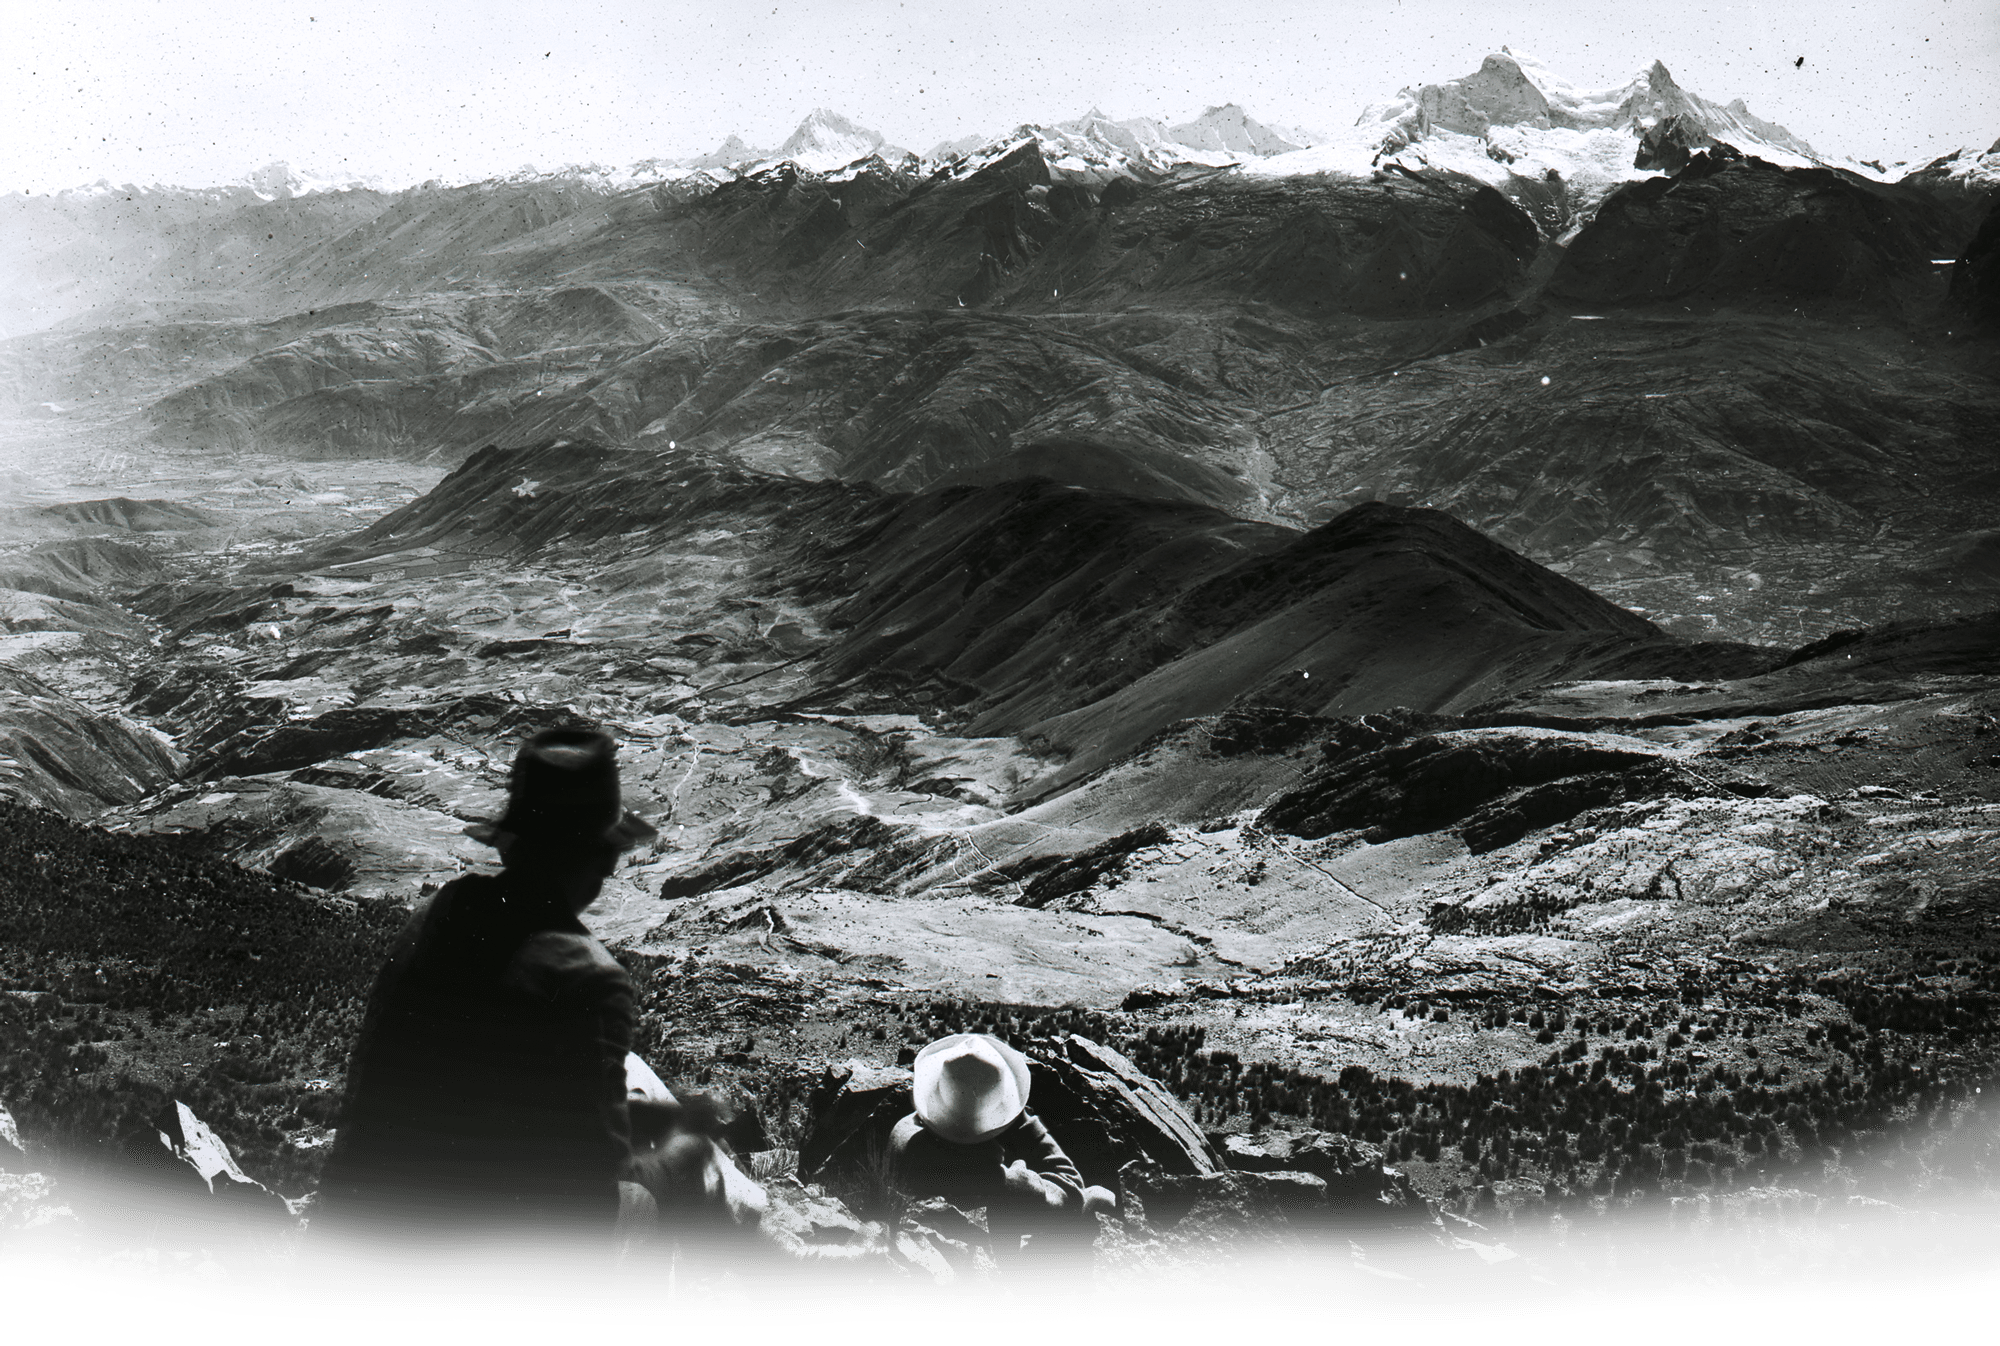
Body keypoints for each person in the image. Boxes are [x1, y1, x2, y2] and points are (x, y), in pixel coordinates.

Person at [297, 728, 660, 1287]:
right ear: (597, 857)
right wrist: (679, 1149)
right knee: (650, 1205)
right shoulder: (588, 977)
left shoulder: (443, 911)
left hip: (345, 1247)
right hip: (464, 1283)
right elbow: (590, 1194)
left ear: (512, 843)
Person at [888, 1033, 1115, 1290]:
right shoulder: (991, 1178)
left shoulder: (908, 1137)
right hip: (994, 1212)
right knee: (1020, 1203)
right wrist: (1018, 1160)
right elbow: (1067, 1188)